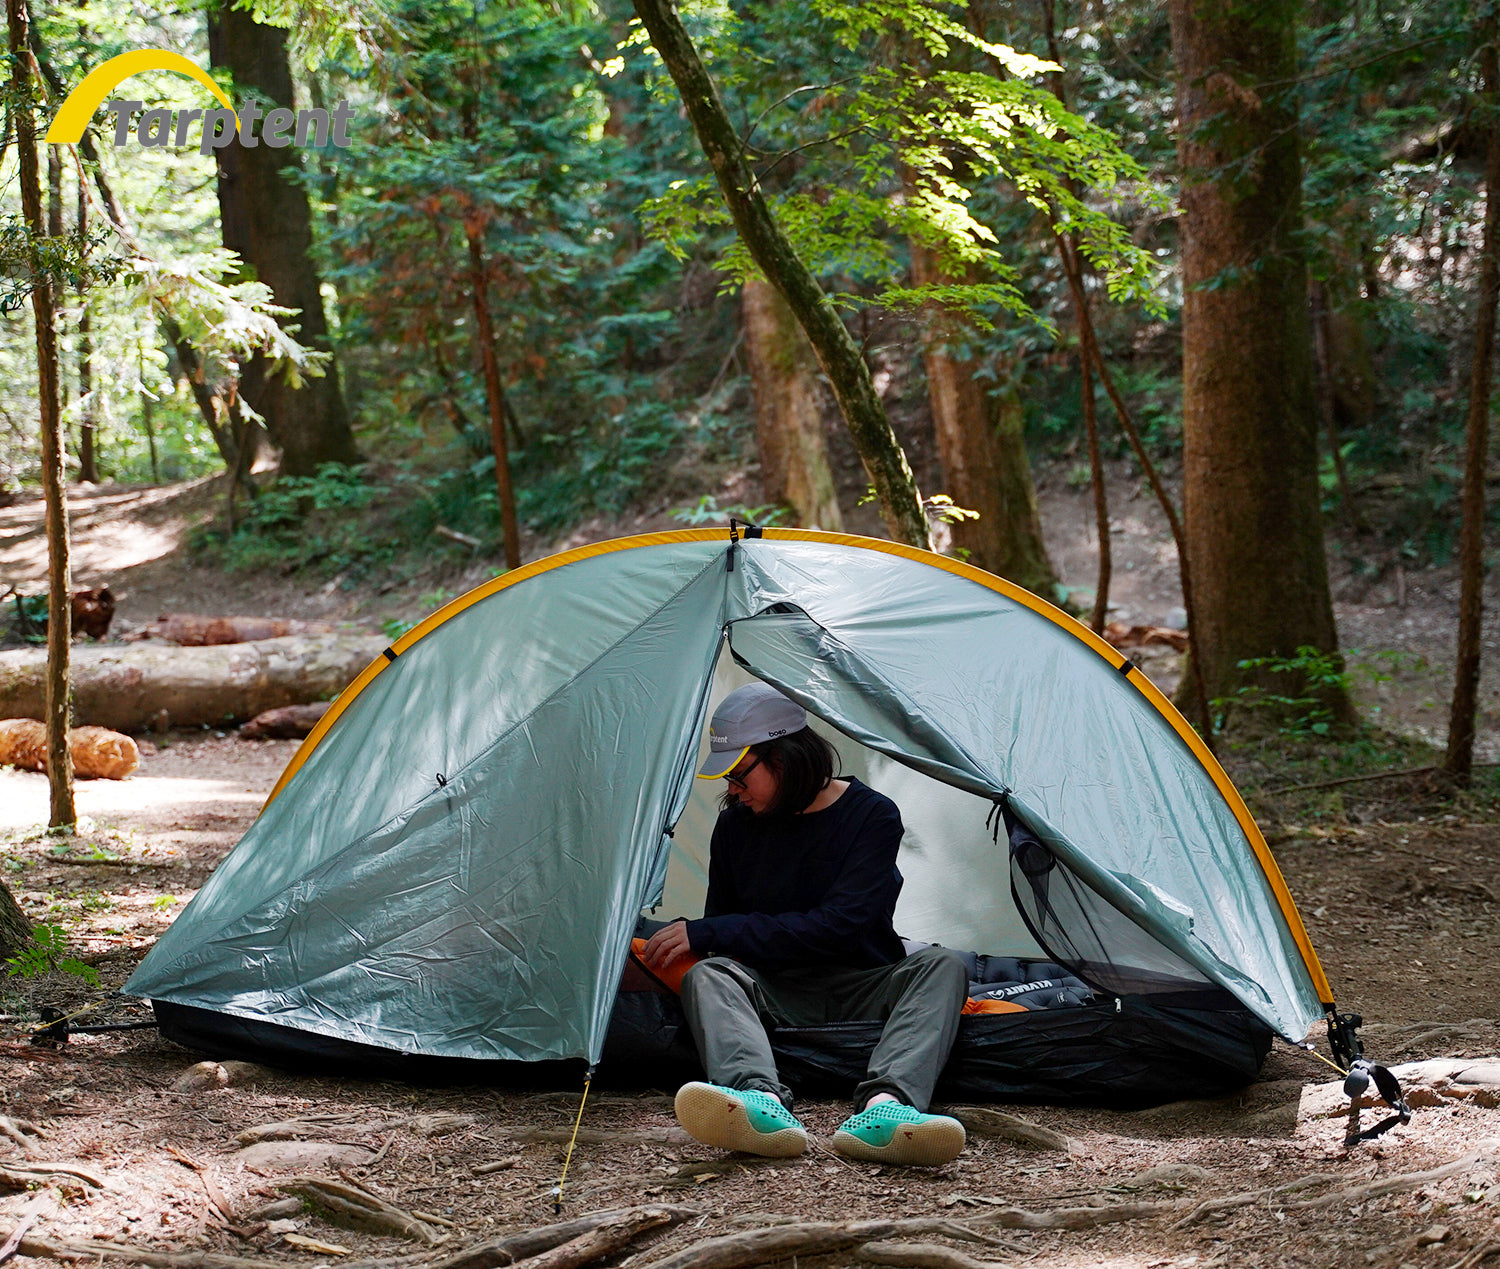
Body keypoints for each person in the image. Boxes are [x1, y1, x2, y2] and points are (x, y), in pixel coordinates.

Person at [640, 682, 969, 1167]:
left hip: (862, 982)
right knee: (710, 973)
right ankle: (756, 1102)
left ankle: (887, 1109)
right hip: (773, 989)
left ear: (785, 757)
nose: (731, 789)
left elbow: (841, 927)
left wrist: (710, 931)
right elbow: (724, 930)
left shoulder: (871, 815)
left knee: (942, 965)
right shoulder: (734, 826)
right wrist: (707, 936)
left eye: (738, 773)